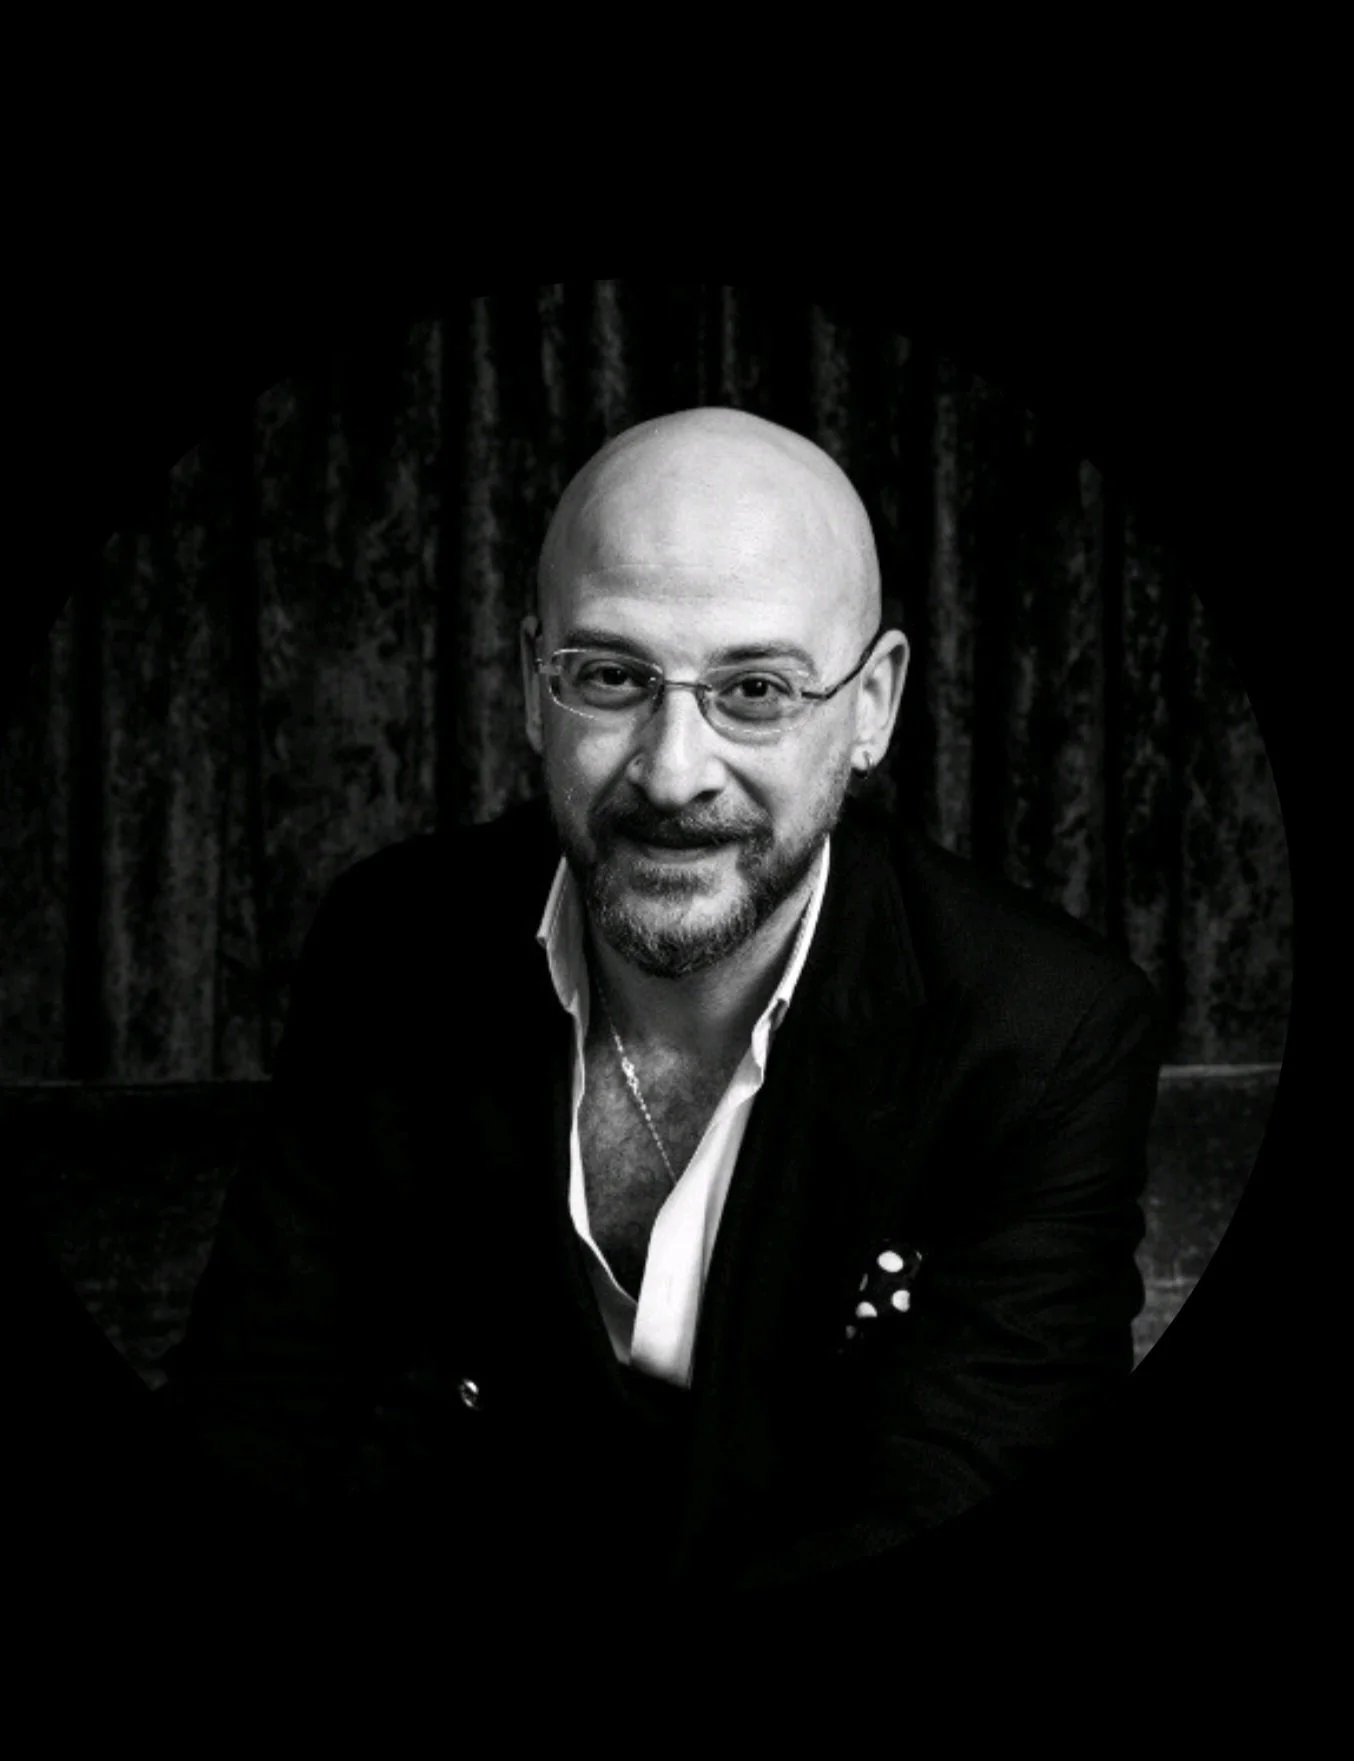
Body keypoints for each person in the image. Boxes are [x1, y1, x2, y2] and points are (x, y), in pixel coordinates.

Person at [159, 406, 1164, 1602]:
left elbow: (958, 1494)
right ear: (536, 687)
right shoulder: (393, 946)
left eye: (755, 688)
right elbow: (260, 1406)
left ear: (873, 706)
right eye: (612, 677)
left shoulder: (1044, 1033)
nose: (673, 769)